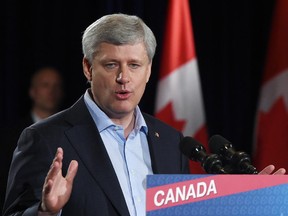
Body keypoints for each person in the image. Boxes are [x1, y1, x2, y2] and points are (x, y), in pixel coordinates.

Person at [2, 13, 285, 216]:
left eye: (135, 65)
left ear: (149, 70)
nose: (124, 78)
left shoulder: (171, 141)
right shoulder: (45, 138)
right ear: (88, 68)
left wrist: (253, 200)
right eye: (112, 65)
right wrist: (45, 212)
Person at [0, 66, 64, 213]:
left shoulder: (71, 133)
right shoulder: (9, 135)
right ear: (32, 92)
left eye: (56, 86)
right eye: (45, 85)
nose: (51, 91)